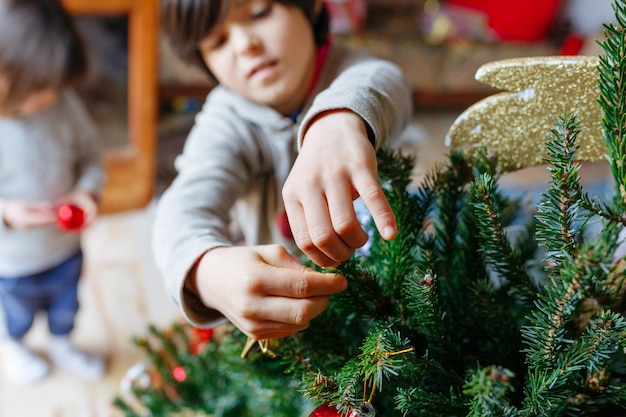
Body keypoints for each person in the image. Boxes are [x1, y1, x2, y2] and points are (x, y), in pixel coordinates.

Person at [153, 0, 412, 341]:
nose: (246, 45)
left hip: (395, 291)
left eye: (260, 13)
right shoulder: (226, 123)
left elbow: (384, 82)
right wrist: (205, 271)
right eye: (218, 42)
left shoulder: (352, 69)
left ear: (312, 7)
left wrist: (337, 120)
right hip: (295, 323)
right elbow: (181, 210)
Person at [0, 0, 105, 384]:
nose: (49, 97)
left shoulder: (63, 105)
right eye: (39, 89)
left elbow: (92, 156)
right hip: (11, 263)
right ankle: (14, 346)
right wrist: (6, 213)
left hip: (65, 249)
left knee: (66, 308)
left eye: (55, 88)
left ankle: (62, 342)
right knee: (16, 315)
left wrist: (87, 192)